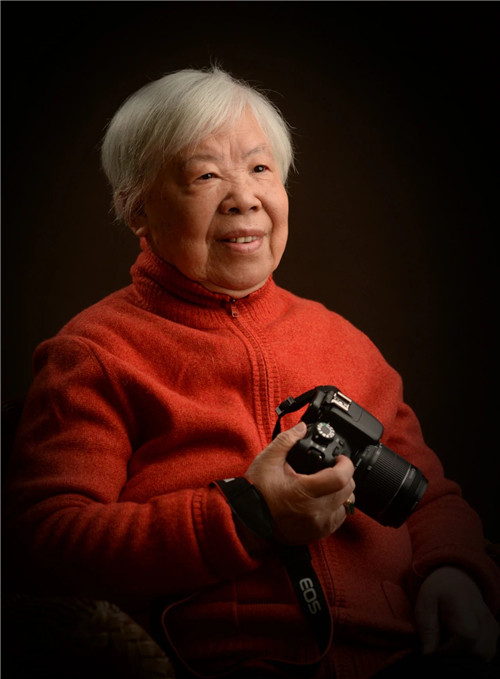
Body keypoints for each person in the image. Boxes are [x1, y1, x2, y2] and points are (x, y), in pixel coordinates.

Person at [4, 67, 499, 679]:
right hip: (226, 662)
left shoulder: (344, 341)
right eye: (205, 175)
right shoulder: (95, 352)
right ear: (138, 210)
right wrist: (247, 515)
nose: (244, 196)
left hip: (406, 654)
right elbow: (48, 538)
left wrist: (454, 572)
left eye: (260, 169)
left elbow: (430, 497)